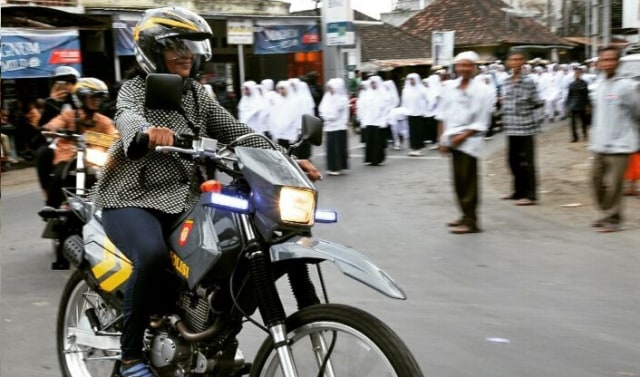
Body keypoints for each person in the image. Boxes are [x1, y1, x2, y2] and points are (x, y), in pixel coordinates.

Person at [92, 9, 321, 376]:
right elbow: (128, 115)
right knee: (150, 255)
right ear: (154, 51)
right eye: (176, 46)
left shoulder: (197, 94)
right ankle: (131, 355)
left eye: (192, 47)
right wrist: (146, 132)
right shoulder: (136, 89)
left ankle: (208, 331)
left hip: (184, 198)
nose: (187, 54)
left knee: (230, 252)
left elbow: (239, 132)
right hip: (132, 198)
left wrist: (288, 161)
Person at [437, 51, 493, 234]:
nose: (464, 69)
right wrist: (443, 138)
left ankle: (471, 221)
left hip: (469, 141)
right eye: (461, 65)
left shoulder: (483, 90)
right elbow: (443, 115)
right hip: (453, 139)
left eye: (468, 65)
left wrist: (462, 137)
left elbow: (482, 121)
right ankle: (464, 215)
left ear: (475, 68)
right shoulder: (450, 87)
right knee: (458, 182)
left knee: (469, 183)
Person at [41, 78, 118, 208]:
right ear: (81, 98)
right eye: (92, 97)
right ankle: (52, 206)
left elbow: (115, 136)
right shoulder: (69, 115)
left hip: (94, 158)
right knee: (59, 174)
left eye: (99, 97)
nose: (96, 100)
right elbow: (54, 124)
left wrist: (96, 137)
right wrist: (51, 128)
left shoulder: (104, 121)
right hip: (68, 156)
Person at [589, 46, 640, 232]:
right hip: (600, 143)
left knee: (615, 185)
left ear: (618, 63)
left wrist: (634, 135)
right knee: (595, 181)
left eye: (611, 59)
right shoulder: (599, 83)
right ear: (599, 62)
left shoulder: (626, 86)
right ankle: (605, 211)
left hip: (621, 144)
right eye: (604, 60)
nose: (608, 63)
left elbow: (637, 112)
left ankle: (613, 218)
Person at [500, 51, 545, 206]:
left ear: (524, 62)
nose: (516, 62)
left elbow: (537, 102)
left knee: (527, 162)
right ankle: (518, 191)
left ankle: (530, 195)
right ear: (508, 62)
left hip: (526, 127)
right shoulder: (505, 81)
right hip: (510, 127)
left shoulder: (529, 81)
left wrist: (537, 120)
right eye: (513, 59)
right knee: (512, 161)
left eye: (519, 59)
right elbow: (504, 101)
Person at [36, 66, 81, 201]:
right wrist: (52, 103)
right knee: (43, 154)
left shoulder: (83, 100)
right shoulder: (51, 103)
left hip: (87, 144)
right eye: (60, 83)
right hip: (60, 146)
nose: (65, 87)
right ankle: (48, 196)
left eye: (69, 82)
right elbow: (44, 126)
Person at [319, 78, 350, 175]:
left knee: (337, 148)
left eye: (331, 88)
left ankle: (338, 167)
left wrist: (328, 117)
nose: (329, 90)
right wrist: (325, 116)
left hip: (338, 126)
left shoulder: (342, 98)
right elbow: (322, 108)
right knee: (330, 148)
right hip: (329, 126)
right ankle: (331, 167)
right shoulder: (327, 97)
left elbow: (337, 113)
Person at [359, 76, 388, 166]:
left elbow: (385, 109)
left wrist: (383, 120)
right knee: (369, 141)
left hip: (378, 121)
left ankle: (377, 159)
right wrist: (362, 119)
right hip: (369, 120)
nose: (373, 84)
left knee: (377, 142)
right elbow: (362, 107)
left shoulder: (383, 94)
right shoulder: (367, 94)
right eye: (371, 83)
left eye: (374, 83)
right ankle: (370, 159)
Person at [401, 73, 430, 156]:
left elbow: (428, 99)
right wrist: (404, 111)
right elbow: (404, 102)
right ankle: (413, 148)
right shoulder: (406, 90)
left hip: (420, 113)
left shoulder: (422, 89)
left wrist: (425, 110)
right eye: (410, 79)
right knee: (412, 131)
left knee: (419, 131)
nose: (411, 81)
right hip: (410, 113)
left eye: (413, 79)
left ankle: (419, 148)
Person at [565, 66, 590, 142]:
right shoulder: (571, 84)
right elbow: (569, 95)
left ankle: (585, 134)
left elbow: (586, 95)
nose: (577, 74)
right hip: (573, 105)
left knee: (583, 121)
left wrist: (587, 105)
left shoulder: (584, 83)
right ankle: (574, 137)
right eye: (576, 73)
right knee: (572, 123)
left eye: (578, 73)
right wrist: (568, 105)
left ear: (581, 74)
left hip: (581, 104)